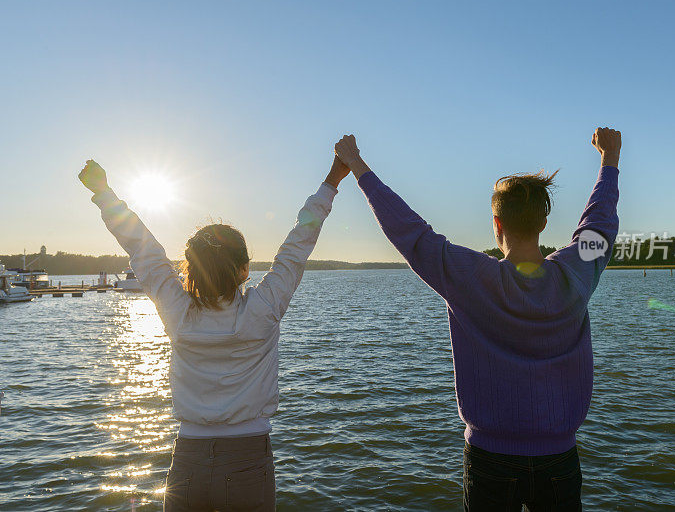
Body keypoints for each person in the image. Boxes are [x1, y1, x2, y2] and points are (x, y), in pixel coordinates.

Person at [333, 128, 621, 511]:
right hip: (559, 460)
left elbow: (411, 233)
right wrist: (609, 159)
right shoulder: (577, 272)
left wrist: (357, 166)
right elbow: (599, 225)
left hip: (490, 460)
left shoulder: (471, 277)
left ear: (497, 225)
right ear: (542, 224)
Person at [79, 155, 350, 511]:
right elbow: (298, 244)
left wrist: (103, 192)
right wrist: (333, 178)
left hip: (187, 464)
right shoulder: (263, 309)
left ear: (191, 269)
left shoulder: (179, 313)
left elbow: (141, 247)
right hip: (248, 461)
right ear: (244, 270)